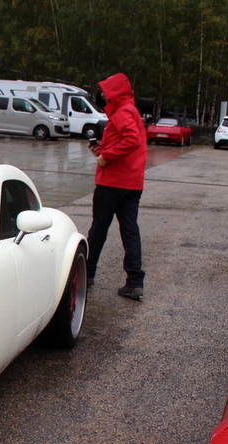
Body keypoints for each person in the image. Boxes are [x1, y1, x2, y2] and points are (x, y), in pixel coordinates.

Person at [86, 72, 148, 301]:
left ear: (114, 93)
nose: (102, 95)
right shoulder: (130, 111)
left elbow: (131, 140)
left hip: (112, 183)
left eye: (105, 91)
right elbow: (129, 141)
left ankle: (87, 273)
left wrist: (107, 157)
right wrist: (103, 149)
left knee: (99, 230)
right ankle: (134, 282)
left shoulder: (122, 112)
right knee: (130, 231)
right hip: (132, 183)